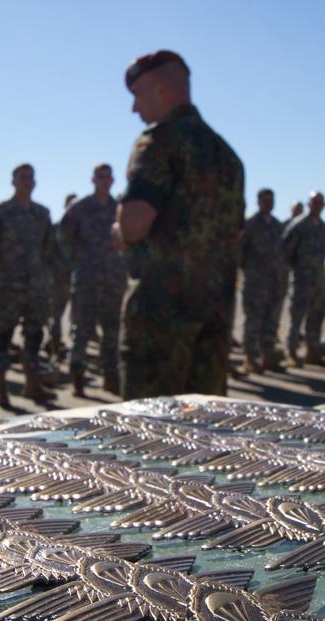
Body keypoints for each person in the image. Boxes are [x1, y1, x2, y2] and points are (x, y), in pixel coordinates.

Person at [112, 49, 245, 399]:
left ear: (161, 90)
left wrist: (120, 232)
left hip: (160, 322)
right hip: (213, 317)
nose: (134, 109)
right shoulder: (227, 156)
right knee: (203, 433)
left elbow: (135, 223)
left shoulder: (158, 142)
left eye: (137, 95)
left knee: (147, 436)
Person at [0, 163, 57, 405]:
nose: (27, 181)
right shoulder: (0, 213)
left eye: (30, 177)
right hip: (7, 287)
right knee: (1, 338)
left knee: (33, 337)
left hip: (35, 286)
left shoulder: (42, 213)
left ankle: (32, 384)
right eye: (22, 177)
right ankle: (0, 390)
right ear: (13, 181)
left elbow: (49, 247)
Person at [60, 164, 126, 396]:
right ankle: (76, 377)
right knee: (82, 330)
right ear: (93, 179)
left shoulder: (119, 208)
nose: (104, 180)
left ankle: (110, 376)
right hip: (87, 279)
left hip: (113, 279)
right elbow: (63, 237)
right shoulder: (80, 208)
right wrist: (76, 262)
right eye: (100, 176)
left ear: (113, 180)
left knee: (112, 330)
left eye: (108, 177)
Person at [239, 188, 285, 374]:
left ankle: (268, 356)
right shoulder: (250, 223)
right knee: (253, 321)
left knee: (271, 320)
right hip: (255, 282)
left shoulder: (277, 225)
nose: (268, 203)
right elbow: (240, 250)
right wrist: (250, 271)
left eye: (271, 200)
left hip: (275, 280)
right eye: (265, 200)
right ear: (258, 202)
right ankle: (250, 359)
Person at [282, 191, 325, 367]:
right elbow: (286, 250)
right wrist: (297, 268)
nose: (317, 206)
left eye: (320, 202)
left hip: (318, 279)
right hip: (301, 278)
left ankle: (312, 351)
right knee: (297, 315)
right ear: (308, 204)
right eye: (314, 202)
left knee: (317, 314)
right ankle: (291, 352)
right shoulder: (299, 225)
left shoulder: (324, 229)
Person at [45, 193, 74, 363]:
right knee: (56, 313)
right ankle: (54, 347)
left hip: (81, 277)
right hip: (59, 277)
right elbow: (48, 252)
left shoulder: (83, 226)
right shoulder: (56, 227)